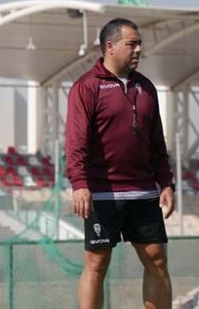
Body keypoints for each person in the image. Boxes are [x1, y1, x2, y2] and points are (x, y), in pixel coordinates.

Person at [65, 18, 175, 309]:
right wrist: (79, 184)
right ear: (110, 47)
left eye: (139, 43)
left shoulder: (147, 87)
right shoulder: (86, 87)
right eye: (132, 44)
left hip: (142, 192)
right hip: (102, 193)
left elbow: (157, 144)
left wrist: (166, 182)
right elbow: (75, 142)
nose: (138, 49)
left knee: (157, 261)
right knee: (97, 263)